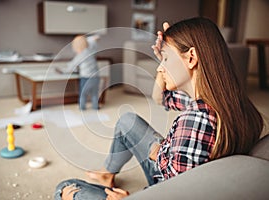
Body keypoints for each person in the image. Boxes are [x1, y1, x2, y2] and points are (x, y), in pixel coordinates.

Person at [55, 17, 264, 200]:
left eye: (165, 58)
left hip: (164, 184)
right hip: (171, 161)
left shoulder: (195, 121)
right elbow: (159, 98)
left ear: (191, 58)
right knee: (127, 120)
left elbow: (173, 192)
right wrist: (163, 56)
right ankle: (107, 173)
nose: (159, 67)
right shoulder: (226, 102)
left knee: (65, 188)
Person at [56, 35, 100, 110]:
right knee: (94, 94)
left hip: (86, 78)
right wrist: (90, 39)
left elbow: (72, 65)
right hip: (96, 77)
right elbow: (94, 40)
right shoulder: (91, 50)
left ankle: (82, 107)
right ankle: (95, 107)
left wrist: (63, 70)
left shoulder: (80, 55)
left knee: (83, 94)